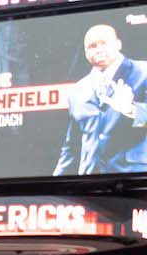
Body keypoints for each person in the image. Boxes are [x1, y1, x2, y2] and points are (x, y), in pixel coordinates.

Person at [55, 25, 147, 176]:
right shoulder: (77, 91)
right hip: (90, 184)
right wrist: (53, 184)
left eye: (104, 43)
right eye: (92, 46)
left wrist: (132, 110)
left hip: (135, 179)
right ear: (86, 53)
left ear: (118, 44)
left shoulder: (144, 71)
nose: (98, 49)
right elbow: (72, 147)